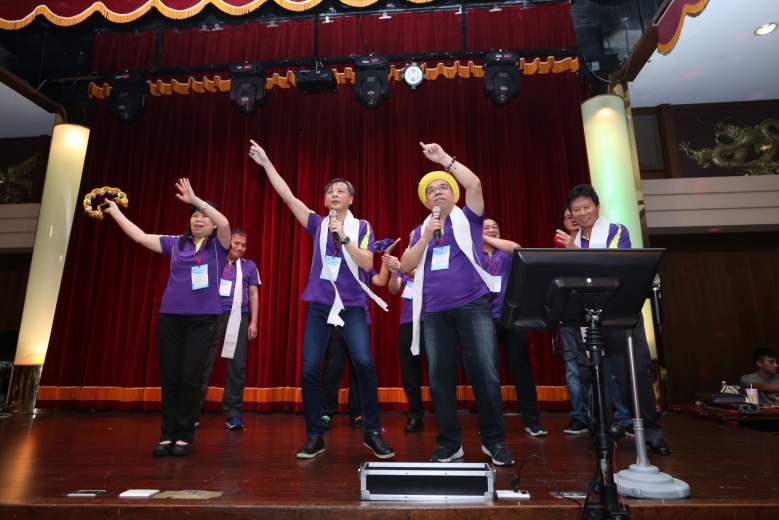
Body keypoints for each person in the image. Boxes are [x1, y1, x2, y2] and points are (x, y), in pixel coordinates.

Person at [249, 140, 394, 460]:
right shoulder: (317, 223)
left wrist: (344, 237)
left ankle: (372, 432)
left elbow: (367, 263)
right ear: (325, 199)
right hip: (319, 305)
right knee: (310, 369)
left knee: (364, 363)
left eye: (341, 191)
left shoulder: (361, 226)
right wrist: (267, 163)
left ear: (351, 199)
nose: (334, 194)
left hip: (352, 305)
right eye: (330, 191)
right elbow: (288, 197)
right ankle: (315, 435)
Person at [400, 142, 513, 466]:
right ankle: (450, 443)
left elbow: (475, 184)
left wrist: (444, 160)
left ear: (453, 194)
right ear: (426, 202)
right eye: (431, 190)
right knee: (439, 379)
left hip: (473, 306)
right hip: (435, 313)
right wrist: (425, 236)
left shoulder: (470, 219)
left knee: (486, 375)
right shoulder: (422, 230)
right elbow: (406, 265)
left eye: (443, 188)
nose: (437, 192)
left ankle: (494, 440)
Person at [103, 178, 231, 457]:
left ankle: (184, 435)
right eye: (194, 216)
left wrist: (195, 200)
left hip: (203, 320)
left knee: (189, 378)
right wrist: (115, 212)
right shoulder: (175, 244)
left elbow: (224, 222)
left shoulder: (219, 247)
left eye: (203, 216)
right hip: (170, 318)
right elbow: (140, 236)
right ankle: (167, 435)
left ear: (211, 224)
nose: (198, 219)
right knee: (171, 378)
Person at [556, 184, 671, 456]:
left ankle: (652, 433)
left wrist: (573, 250)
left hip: (620, 315)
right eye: (576, 209)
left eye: (587, 207)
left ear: (598, 207)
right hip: (588, 317)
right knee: (594, 378)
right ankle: (601, 434)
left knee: (634, 376)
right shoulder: (574, 240)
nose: (582, 213)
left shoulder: (616, 231)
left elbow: (613, 264)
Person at [321, 242, 400, 430]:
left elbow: (380, 281)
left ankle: (356, 413)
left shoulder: (365, 267)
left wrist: (386, 258)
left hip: (360, 320)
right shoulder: (336, 260)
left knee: (360, 367)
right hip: (337, 319)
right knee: (333, 367)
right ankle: (326, 412)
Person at [481, 218, 546, 436]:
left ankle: (532, 420)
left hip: (510, 317)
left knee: (521, 369)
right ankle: (491, 422)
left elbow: (517, 248)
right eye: (486, 228)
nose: (491, 230)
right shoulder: (473, 253)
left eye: (495, 228)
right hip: (483, 319)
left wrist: (485, 236)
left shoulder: (506, 253)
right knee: (488, 372)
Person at [198, 228, 261, 431]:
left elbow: (253, 294)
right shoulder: (214, 260)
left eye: (244, 245)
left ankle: (233, 414)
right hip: (212, 317)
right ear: (227, 242)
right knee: (202, 364)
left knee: (237, 367)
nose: (240, 248)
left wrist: (254, 322)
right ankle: (190, 414)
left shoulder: (250, 266)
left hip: (238, 318)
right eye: (236, 243)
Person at [556, 207, 590, 435]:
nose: (573, 219)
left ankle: (619, 416)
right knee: (572, 367)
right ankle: (580, 416)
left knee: (603, 366)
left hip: (594, 314)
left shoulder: (594, 244)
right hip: (568, 315)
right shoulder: (558, 251)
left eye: (575, 215)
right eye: (568, 217)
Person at [389, 229, 426, 433]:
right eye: (412, 239)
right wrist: (395, 273)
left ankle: (447, 417)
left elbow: (424, 280)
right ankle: (414, 415)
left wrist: (402, 267)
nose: (415, 241)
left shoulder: (433, 259)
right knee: (410, 371)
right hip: (408, 321)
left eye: (417, 237)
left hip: (432, 321)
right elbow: (394, 290)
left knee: (439, 370)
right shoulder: (405, 264)